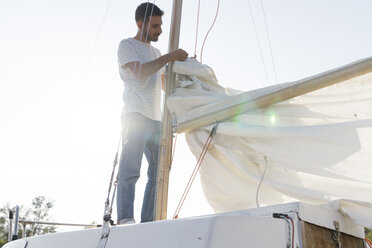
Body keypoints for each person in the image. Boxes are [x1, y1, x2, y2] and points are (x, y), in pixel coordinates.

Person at [116, 2, 188, 224]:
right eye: (155, 26)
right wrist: (168, 57)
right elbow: (139, 73)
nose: (160, 30)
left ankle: (149, 221)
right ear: (141, 24)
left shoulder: (156, 52)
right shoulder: (126, 45)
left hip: (157, 120)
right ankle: (126, 218)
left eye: (160, 25)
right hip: (135, 116)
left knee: (158, 175)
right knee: (131, 170)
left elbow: (163, 82)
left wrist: (188, 78)